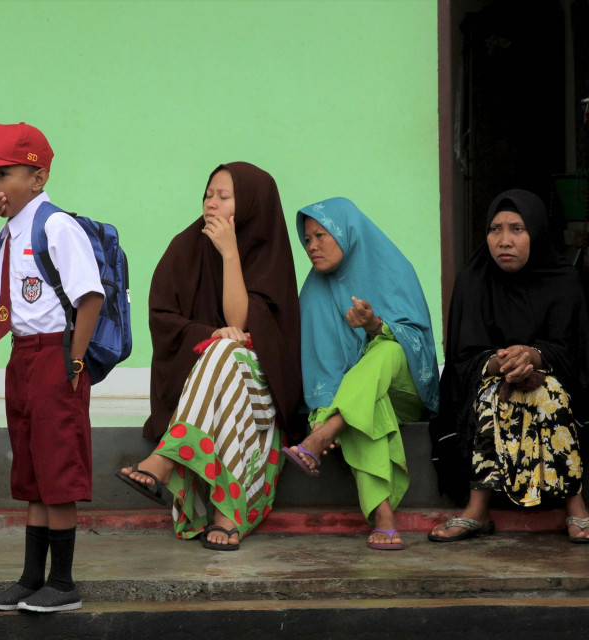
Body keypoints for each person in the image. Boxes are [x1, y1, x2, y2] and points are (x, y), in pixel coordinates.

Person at [116, 162, 302, 551]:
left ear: (250, 204)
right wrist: (211, 335)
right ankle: (225, 514)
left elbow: (241, 322)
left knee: (228, 348)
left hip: (259, 397)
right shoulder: (184, 247)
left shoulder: (269, 255)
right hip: (203, 393)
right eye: (208, 194)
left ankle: (167, 458)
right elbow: (163, 320)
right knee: (223, 347)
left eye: (224, 197)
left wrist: (230, 255)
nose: (211, 204)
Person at [0, 123, 104, 613]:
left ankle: (62, 583)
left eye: (2, 173)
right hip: (20, 355)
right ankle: (30, 577)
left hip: (55, 354)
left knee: (57, 467)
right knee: (33, 469)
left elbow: (90, 297)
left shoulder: (56, 226)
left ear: (38, 178)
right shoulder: (4, 233)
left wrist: (75, 360)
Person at [428, 189, 589, 543]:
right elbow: (462, 357)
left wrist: (533, 357)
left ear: (537, 231)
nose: (504, 240)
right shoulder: (473, 280)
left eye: (517, 229)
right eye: (495, 229)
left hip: (553, 379)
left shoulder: (563, 281)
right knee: (493, 398)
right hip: (488, 380)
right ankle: (478, 507)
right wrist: (503, 364)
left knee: (549, 393)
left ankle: (574, 503)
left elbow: (573, 351)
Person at [286, 197, 439, 550]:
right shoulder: (312, 294)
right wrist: (329, 409)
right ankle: (384, 517)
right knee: (365, 404)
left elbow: (417, 341)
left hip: (406, 387)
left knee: (387, 348)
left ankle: (326, 432)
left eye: (321, 235)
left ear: (347, 232)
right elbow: (318, 369)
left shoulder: (394, 268)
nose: (312, 246)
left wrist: (376, 325)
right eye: (307, 239)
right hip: (363, 399)